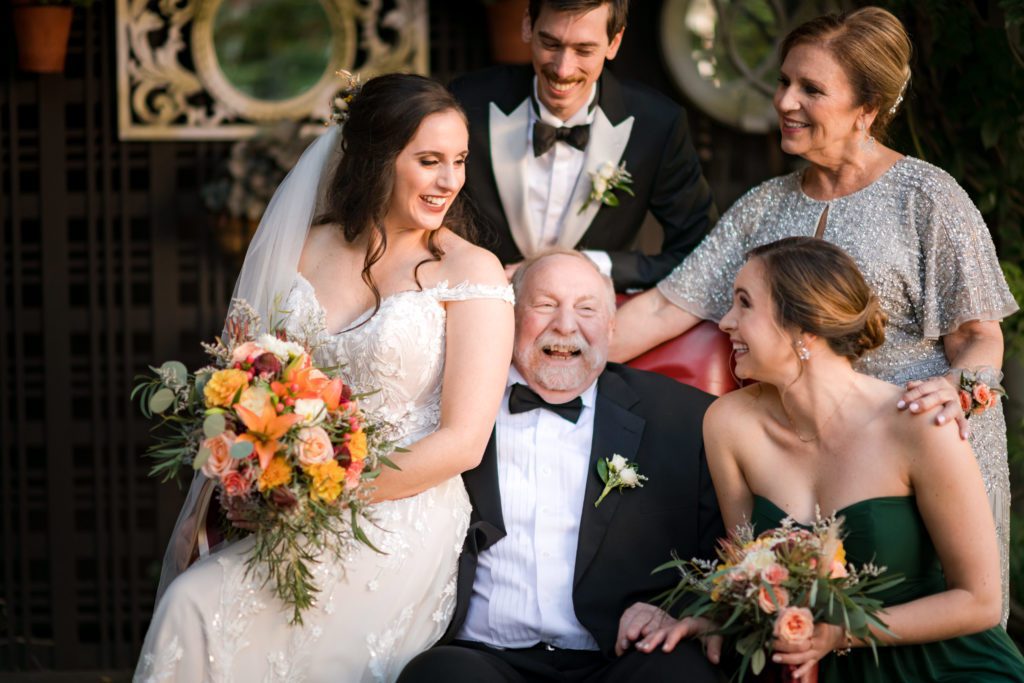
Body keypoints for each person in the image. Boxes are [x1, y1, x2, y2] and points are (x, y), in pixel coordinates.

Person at [612, 6, 1019, 620]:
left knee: (934, 620)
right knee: (808, 630)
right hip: (812, 468)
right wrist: (541, 347)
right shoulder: (761, 207)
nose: (785, 101)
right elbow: (666, 308)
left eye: (811, 89)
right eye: (783, 82)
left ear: (867, 108)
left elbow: (979, 336)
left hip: (927, 446)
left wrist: (957, 391)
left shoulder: (927, 197)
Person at [133, 74, 515, 682]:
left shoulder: (472, 272)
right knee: (190, 602)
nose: (450, 181)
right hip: (285, 506)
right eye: (429, 161)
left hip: (400, 515)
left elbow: (463, 442)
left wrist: (327, 495)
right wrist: (245, 487)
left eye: (460, 161)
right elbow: (242, 383)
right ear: (375, 158)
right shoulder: (302, 248)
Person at [638, 238, 1024, 682]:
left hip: (945, 664)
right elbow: (749, 576)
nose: (725, 323)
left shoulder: (918, 424)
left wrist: (842, 634)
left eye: (744, 304)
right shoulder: (728, 424)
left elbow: (979, 601)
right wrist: (705, 618)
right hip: (812, 666)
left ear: (806, 326)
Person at [397, 249, 724, 683]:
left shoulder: (684, 418)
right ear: (509, 318)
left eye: (586, 309)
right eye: (545, 304)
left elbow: (725, 555)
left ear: (611, 327)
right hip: (483, 658)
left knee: (685, 673)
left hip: (620, 657)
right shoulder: (453, 407)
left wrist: (676, 610)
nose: (566, 325)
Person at [450, 0, 717, 291]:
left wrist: (593, 265)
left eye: (584, 50)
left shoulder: (658, 125)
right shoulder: (466, 102)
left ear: (614, 42)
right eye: (550, 43)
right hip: (483, 307)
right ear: (528, 24)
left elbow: (702, 251)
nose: (563, 70)